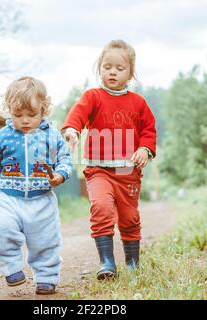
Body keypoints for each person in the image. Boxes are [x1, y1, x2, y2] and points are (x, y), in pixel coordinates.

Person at [61, 40, 156, 280]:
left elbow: (149, 130)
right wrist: (72, 130)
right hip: (98, 169)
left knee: (129, 217)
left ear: (130, 73)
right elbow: (77, 116)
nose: (112, 71)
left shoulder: (138, 103)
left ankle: (132, 263)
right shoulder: (93, 97)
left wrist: (145, 149)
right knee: (101, 208)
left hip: (127, 172)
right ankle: (107, 262)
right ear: (99, 68)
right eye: (107, 66)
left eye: (119, 68)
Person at [0, 76, 72, 295]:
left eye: (32, 114)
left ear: (43, 109)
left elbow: (65, 159)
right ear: (9, 110)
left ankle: (47, 277)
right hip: (8, 197)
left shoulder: (51, 135)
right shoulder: (4, 136)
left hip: (42, 199)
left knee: (45, 240)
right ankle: (11, 268)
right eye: (18, 115)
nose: (25, 120)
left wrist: (60, 174)